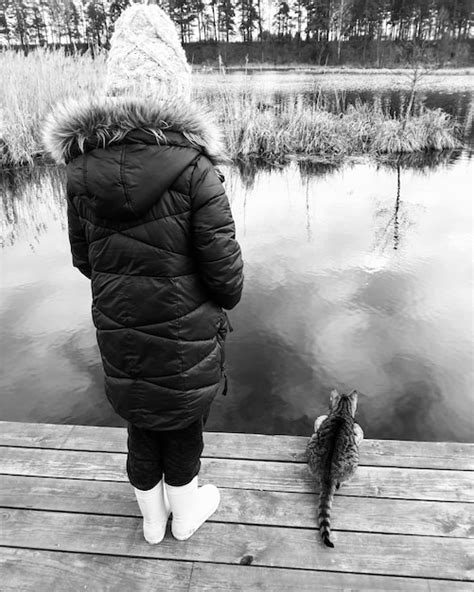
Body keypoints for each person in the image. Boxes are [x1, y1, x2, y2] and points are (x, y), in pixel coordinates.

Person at [42, 3, 244, 545]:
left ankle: (152, 522)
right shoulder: (198, 171)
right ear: (176, 87)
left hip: (122, 333)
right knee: (181, 428)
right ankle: (185, 516)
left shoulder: (80, 171)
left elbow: (85, 260)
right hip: (186, 339)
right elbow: (228, 283)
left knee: (140, 424)